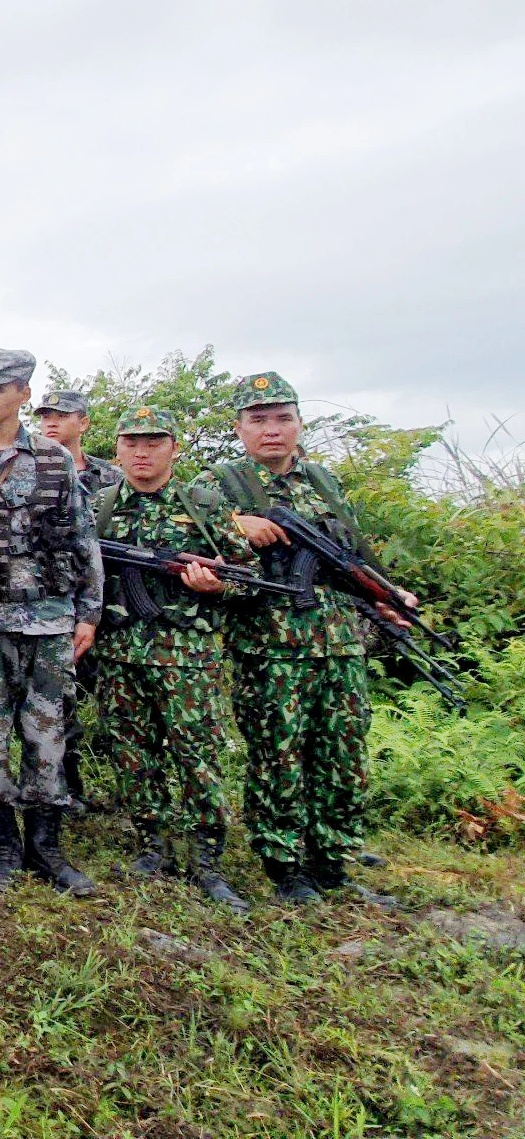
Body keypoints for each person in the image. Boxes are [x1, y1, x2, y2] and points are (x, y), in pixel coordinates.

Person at [211, 372, 409, 906]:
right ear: (239, 428)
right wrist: (237, 523)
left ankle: (334, 861)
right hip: (270, 645)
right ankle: (285, 864)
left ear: (300, 423)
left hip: (341, 641)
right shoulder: (221, 483)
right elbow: (190, 537)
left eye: (282, 419)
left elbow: (352, 556)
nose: (271, 431)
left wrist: (388, 597)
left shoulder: (322, 481)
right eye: (258, 420)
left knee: (342, 753)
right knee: (279, 752)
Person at [0, 347, 104, 896]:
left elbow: (83, 541)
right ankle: (3, 846)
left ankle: (47, 847)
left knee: (47, 730)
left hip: (50, 617)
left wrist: (89, 613)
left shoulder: (54, 458)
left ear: (23, 395)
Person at [90, 405, 253, 914]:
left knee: (198, 759)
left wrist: (218, 583)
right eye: (131, 442)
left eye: (155, 442)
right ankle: (151, 849)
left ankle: (208, 860)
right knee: (133, 756)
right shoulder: (99, 506)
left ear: (174, 449)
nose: (142, 452)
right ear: (116, 449)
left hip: (187, 657)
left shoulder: (204, 505)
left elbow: (249, 579)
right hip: (119, 655)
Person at [33, 388, 121, 817]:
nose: (51, 423)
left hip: (110, 605)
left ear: (84, 423)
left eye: (62, 416)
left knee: (112, 701)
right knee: (59, 700)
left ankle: (122, 786)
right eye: (45, 416)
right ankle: (67, 785)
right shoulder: (33, 469)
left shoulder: (112, 480)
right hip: (51, 604)